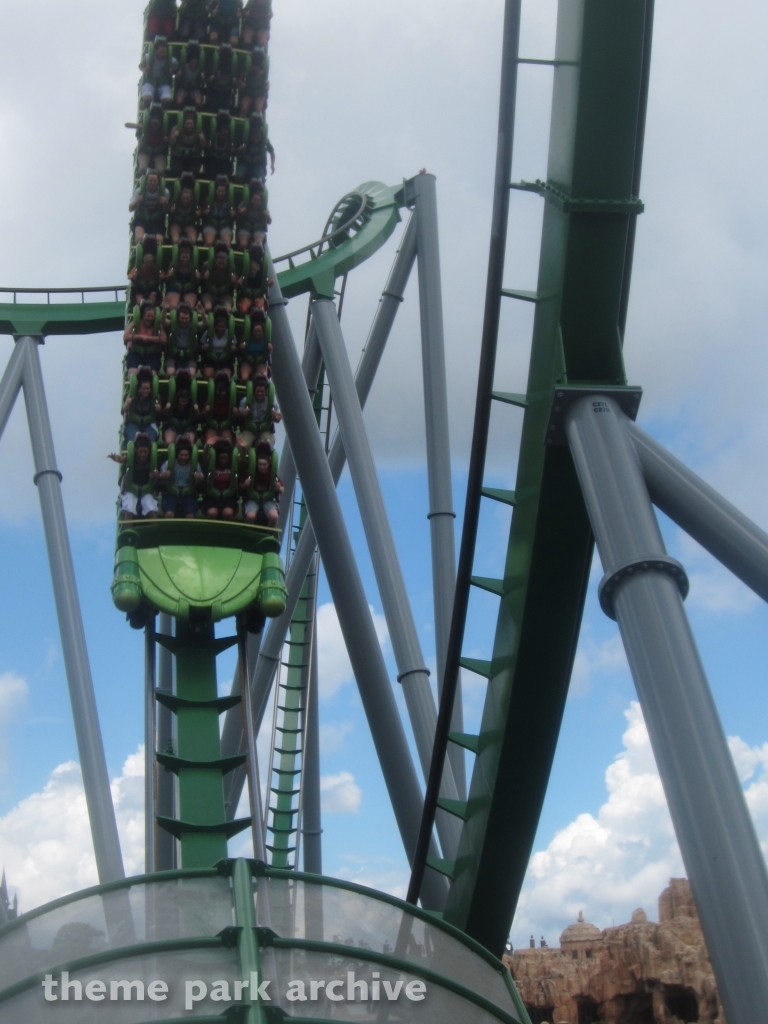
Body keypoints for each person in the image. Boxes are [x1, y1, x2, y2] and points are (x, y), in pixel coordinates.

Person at [109, 433, 159, 521]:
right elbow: (121, 459)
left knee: (151, 509)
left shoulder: (151, 460)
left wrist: (156, 475)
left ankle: (156, 531)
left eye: (145, 452)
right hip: (131, 488)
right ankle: (127, 531)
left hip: (146, 489)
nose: (143, 454)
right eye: (141, 452)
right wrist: (116, 458)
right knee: (129, 510)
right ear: (136, 450)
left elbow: (156, 472)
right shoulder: (131, 458)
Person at [240, 440, 282, 525]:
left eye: (264, 465)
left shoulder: (272, 474)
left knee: (274, 517)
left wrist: (279, 488)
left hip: (267, 500)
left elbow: (282, 489)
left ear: (268, 464)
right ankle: (249, 529)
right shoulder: (250, 472)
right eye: (260, 464)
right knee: (250, 516)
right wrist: (245, 484)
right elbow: (240, 486)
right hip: (253, 499)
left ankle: (269, 532)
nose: (262, 467)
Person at [159, 438, 202, 518]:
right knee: (169, 514)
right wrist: (163, 477)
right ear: (177, 454)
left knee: (190, 515)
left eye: (186, 455)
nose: (183, 457)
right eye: (181, 455)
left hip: (188, 494)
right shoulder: (167, 464)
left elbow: (201, 484)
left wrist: (199, 479)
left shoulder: (195, 465)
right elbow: (160, 483)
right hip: (171, 493)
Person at [236, 372, 280, 448]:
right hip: (250, 429)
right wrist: (243, 414)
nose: (260, 394)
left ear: (266, 392)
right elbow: (237, 416)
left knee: (265, 445)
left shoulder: (271, 402)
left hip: (265, 429)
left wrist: (276, 416)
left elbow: (277, 418)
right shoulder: (246, 401)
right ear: (254, 391)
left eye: (262, 392)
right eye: (258, 392)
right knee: (241, 445)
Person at [123, 300, 167, 375]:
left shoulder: (157, 324)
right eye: (148, 316)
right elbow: (125, 336)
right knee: (132, 372)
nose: (150, 318)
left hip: (152, 353)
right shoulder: (136, 322)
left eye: (152, 316)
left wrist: (149, 338)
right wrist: (140, 337)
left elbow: (164, 339)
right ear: (143, 316)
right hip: (136, 352)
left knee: (152, 374)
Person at [129, 169, 169, 245]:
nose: (152, 183)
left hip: (157, 220)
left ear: (158, 181)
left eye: (155, 180)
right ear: (147, 181)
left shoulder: (165, 192)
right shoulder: (139, 191)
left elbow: (168, 212)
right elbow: (130, 208)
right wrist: (137, 201)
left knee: (159, 240)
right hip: (142, 218)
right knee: (139, 239)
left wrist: (166, 204)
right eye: (150, 180)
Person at [122, 368, 160, 442]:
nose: (145, 391)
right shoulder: (131, 396)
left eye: (147, 389)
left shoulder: (155, 397)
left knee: (149, 440)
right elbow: (122, 410)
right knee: (134, 439)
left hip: (148, 423)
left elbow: (157, 403)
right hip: (133, 422)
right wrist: (127, 403)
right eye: (143, 388)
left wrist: (158, 407)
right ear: (139, 388)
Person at [140, 35, 178, 109]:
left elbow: (177, 71)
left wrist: (172, 72)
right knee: (147, 98)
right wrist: (145, 70)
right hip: (150, 81)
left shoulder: (172, 61)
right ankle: (146, 112)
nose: (162, 49)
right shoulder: (148, 57)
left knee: (167, 100)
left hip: (163, 83)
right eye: (160, 46)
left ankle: (163, 114)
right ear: (156, 49)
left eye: (164, 47)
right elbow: (140, 66)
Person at [204, 438, 238, 519]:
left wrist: (243, 449)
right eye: (221, 459)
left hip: (228, 495)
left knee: (227, 513)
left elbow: (241, 460)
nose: (223, 461)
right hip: (212, 494)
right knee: (212, 513)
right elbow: (205, 458)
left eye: (225, 458)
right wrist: (206, 447)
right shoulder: (212, 464)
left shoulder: (232, 465)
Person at [235, 111, 274, 182]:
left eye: (258, 136)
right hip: (245, 162)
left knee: (261, 178)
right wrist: (239, 149)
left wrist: (272, 165)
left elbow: (271, 151)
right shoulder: (246, 137)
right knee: (239, 175)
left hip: (257, 164)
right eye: (255, 136)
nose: (256, 138)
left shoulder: (264, 140)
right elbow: (236, 149)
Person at [161, 370, 198, 444]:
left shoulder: (190, 406)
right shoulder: (172, 402)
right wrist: (166, 409)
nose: (183, 403)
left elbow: (198, 417)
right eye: (181, 401)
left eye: (185, 402)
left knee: (188, 442)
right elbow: (163, 414)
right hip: (172, 425)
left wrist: (196, 410)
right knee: (169, 442)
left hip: (188, 426)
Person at [169, 107, 207, 176]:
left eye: (191, 117)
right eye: (187, 117)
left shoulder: (199, 130)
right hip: (179, 156)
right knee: (176, 167)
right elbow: (171, 144)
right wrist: (175, 136)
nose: (189, 126)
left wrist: (201, 139)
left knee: (196, 166)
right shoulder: (176, 128)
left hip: (193, 157)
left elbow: (203, 148)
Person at [163, 302, 199, 374]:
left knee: (191, 373)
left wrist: (203, 314)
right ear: (178, 317)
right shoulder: (173, 324)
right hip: (173, 354)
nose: (184, 321)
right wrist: (164, 309)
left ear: (190, 318)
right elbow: (163, 321)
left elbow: (205, 324)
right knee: (170, 372)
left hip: (189, 355)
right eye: (182, 318)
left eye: (186, 318)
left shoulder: (193, 325)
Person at [199, 304, 236, 376]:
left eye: (223, 327)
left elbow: (235, 344)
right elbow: (200, 346)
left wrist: (234, 348)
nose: (221, 329)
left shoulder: (229, 333)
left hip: (225, 360)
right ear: (215, 326)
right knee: (208, 374)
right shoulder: (209, 332)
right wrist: (204, 347)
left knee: (225, 375)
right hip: (211, 359)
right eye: (218, 326)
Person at [201, 370, 236, 444]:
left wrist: (237, 413)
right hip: (211, 426)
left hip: (225, 426)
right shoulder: (210, 401)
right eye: (221, 391)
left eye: (224, 391)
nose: (223, 394)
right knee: (211, 442)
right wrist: (206, 412)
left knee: (227, 442)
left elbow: (238, 414)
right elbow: (201, 416)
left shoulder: (229, 401)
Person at [200, 242, 236, 312]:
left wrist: (234, 282)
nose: (221, 265)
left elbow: (234, 286)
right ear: (215, 260)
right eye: (219, 263)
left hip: (225, 294)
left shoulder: (231, 267)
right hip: (209, 293)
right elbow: (199, 282)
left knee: (228, 309)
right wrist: (204, 277)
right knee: (208, 308)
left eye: (223, 264)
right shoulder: (207, 265)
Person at [163, 238, 199, 308]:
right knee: (172, 306)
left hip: (189, 289)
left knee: (190, 307)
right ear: (179, 256)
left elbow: (197, 282)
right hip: (175, 287)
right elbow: (167, 279)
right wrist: (169, 275)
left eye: (187, 257)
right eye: (183, 257)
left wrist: (198, 277)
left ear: (190, 257)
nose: (185, 259)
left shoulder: (193, 265)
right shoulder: (173, 264)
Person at [236, 242, 271, 312]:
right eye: (251, 269)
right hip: (246, 295)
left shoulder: (262, 267)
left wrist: (269, 282)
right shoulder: (245, 264)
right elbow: (242, 277)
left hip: (258, 295)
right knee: (244, 309)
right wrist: (239, 281)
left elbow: (265, 279)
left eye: (254, 269)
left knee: (260, 309)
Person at [235, 180, 271, 249]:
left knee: (258, 246)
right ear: (251, 199)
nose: (256, 202)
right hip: (245, 227)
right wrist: (240, 212)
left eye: (258, 201)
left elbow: (269, 222)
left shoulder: (264, 207)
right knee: (243, 245)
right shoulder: (244, 203)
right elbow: (236, 218)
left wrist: (267, 215)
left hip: (258, 228)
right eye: (254, 200)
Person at [237, 310, 271, 381]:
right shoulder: (247, 337)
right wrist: (242, 345)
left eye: (259, 331)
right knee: (244, 378)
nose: (257, 333)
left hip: (260, 363)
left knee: (263, 377)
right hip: (247, 362)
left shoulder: (265, 339)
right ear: (252, 331)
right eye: (256, 331)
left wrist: (270, 348)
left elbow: (270, 348)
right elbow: (242, 344)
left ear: (262, 331)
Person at [135, 103, 168, 174]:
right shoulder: (144, 120)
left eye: (157, 124)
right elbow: (138, 135)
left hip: (159, 152)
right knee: (143, 169)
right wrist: (140, 133)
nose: (155, 126)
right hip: (145, 151)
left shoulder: (165, 123)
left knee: (161, 170)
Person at [128, 237, 162, 306]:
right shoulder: (138, 267)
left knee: (152, 302)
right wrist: (133, 277)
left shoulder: (156, 267)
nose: (149, 264)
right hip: (140, 287)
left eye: (150, 262)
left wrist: (163, 276)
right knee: (139, 302)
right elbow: (130, 275)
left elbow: (162, 275)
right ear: (143, 262)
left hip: (152, 287)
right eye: (147, 262)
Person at [201, 176, 234, 247]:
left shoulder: (229, 201)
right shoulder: (209, 200)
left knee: (227, 244)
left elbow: (235, 213)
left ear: (226, 192)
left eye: (222, 191)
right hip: (211, 224)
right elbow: (201, 212)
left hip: (224, 225)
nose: (220, 193)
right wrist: (204, 212)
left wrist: (234, 214)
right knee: (209, 242)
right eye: (219, 191)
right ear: (215, 190)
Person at [168, 176, 200, 246]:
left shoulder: (194, 204)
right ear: (180, 197)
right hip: (176, 223)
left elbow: (200, 212)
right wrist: (170, 210)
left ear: (191, 198)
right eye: (184, 198)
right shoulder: (175, 202)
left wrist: (198, 213)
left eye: (187, 198)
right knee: (175, 240)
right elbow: (168, 210)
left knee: (193, 240)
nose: (185, 200)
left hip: (189, 224)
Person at [206, 43, 239, 113]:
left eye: (225, 75)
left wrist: (236, 83)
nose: (224, 76)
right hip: (215, 91)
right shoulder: (216, 73)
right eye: (223, 74)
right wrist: (210, 79)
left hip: (226, 93)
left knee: (227, 103)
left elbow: (236, 86)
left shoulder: (231, 75)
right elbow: (208, 82)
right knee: (212, 101)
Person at [237, 46, 269, 117]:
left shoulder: (263, 75)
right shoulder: (247, 72)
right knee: (244, 109)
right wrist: (241, 83)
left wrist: (266, 87)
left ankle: (257, 118)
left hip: (259, 95)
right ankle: (242, 118)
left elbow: (267, 84)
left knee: (258, 110)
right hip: (248, 93)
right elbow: (240, 79)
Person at [204, 111, 235, 179]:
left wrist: (233, 151)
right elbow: (205, 148)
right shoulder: (213, 138)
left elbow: (232, 154)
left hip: (223, 162)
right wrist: (207, 145)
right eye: (223, 134)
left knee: (227, 167)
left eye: (226, 135)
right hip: (212, 161)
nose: (224, 137)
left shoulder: (229, 142)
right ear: (219, 132)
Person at [174, 42, 205, 108]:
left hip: (194, 88)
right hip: (184, 87)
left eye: (195, 63)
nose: (194, 64)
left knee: (198, 101)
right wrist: (178, 75)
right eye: (193, 62)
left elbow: (202, 81)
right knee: (179, 101)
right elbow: (177, 77)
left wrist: (202, 78)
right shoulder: (184, 67)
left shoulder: (199, 69)